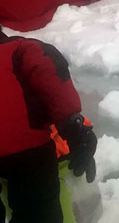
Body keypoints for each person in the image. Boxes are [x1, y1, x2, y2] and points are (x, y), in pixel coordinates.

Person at [0, 26, 97, 223]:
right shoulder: (20, 49)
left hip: (26, 148)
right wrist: (75, 129)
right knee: (38, 212)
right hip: (28, 150)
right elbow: (52, 82)